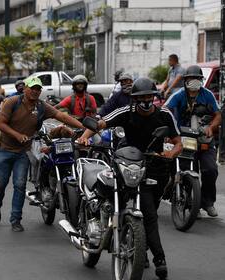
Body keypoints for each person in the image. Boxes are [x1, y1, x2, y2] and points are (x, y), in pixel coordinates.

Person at [78, 77, 183, 280]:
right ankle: (159, 260)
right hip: (129, 165)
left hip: (156, 169)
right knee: (148, 213)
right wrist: (85, 136)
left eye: (148, 96)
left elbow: (178, 142)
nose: (145, 100)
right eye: (141, 97)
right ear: (134, 99)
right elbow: (101, 123)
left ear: (154, 97)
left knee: (150, 208)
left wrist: (172, 153)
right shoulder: (126, 112)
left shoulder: (164, 114)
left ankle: (140, 249)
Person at [0, 77, 84, 232]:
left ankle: (15, 220)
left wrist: (85, 127)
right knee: (0, 184)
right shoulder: (12, 102)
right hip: (5, 150)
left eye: (38, 89)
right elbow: (0, 124)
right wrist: (17, 135)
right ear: (25, 88)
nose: (35, 91)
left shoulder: (41, 106)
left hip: (23, 152)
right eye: (32, 88)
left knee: (20, 185)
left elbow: (62, 117)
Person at [164, 65, 221, 217]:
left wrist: (211, 127)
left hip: (204, 138)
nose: (194, 82)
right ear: (185, 81)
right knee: (186, 169)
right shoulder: (178, 95)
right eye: (191, 79)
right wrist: (169, 129)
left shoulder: (207, 95)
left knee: (211, 170)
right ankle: (188, 202)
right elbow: (165, 110)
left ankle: (207, 203)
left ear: (201, 81)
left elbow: (218, 114)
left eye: (197, 79)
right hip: (184, 138)